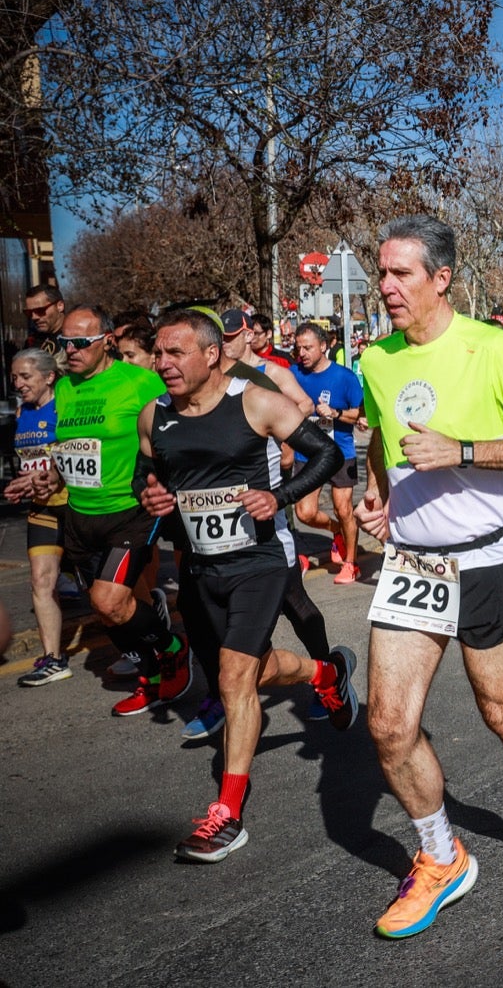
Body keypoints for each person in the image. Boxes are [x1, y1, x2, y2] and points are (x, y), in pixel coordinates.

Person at [355, 214, 503, 938]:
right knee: (388, 723)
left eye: (400, 274)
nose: (384, 286)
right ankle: (441, 855)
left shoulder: (492, 346)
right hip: (412, 563)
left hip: (486, 557)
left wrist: (466, 449)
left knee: (502, 712)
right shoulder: (377, 359)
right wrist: (377, 496)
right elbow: (383, 439)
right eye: (380, 272)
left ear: (441, 278)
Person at [135, 309, 356, 862]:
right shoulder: (154, 414)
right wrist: (152, 494)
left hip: (260, 560)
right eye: (158, 353)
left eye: (175, 352)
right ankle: (326, 673)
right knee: (247, 669)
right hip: (200, 566)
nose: (163, 364)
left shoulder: (254, 401)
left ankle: (227, 814)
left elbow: (326, 454)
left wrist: (278, 497)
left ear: (211, 354)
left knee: (236, 675)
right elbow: (148, 471)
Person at [21, 306, 188, 716]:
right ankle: (151, 677)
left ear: (106, 342)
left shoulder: (140, 382)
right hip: (80, 515)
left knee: (109, 601)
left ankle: (173, 649)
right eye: (65, 343)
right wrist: (51, 478)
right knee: (110, 609)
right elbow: (71, 451)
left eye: (81, 343)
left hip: (130, 510)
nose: (71, 351)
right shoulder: (63, 388)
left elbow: (177, 428)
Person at [7, 349, 71, 686]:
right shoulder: (21, 412)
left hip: (76, 505)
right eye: (15, 377)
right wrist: (23, 484)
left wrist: (49, 473)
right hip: (43, 508)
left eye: (25, 377)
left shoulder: (65, 406)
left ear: (49, 376)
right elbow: (28, 461)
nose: (17, 383)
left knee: (104, 591)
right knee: (41, 580)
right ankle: (54, 658)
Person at [290, 323, 365, 584]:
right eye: (299, 347)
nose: (302, 353)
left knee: (343, 508)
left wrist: (336, 413)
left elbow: (360, 414)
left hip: (340, 452)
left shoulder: (345, 377)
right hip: (307, 454)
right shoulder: (293, 374)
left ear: (323, 346)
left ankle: (351, 563)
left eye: (308, 347)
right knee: (304, 513)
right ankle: (337, 532)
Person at [24, 284, 67, 371]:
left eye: (40, 310)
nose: (34, 317)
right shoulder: (32, 342)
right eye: (29, 312)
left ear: (60, 306)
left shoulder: (77, 337)